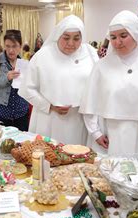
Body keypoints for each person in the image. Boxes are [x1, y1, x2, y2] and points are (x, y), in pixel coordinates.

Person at [80, 11, 138, 155]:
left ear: (136, 34)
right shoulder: (102, 66)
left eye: (123, 36)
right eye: (113, 37)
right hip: (106, 133)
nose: (117, 42)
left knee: (131, 173)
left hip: (137, 133)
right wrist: (95, 132)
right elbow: (90, 102)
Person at [20, 15, 98, 145]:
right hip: (49, 119)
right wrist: (49, 106)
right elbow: (27, 89)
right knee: (49, 157)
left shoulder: (90, 54)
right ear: (58, 35)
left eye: (76, 38)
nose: (71, 43)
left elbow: (97, 85)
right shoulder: (43, 56)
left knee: (76, 156)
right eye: (66, 38)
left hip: (78, 120)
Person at [0, 30, 30, 131]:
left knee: (22, 143)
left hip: (22, 110)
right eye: (7, 46)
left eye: (14, 46)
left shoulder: (24, 63)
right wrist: (6, 78)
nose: (10, 50)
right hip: (3, 111)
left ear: (20, 46)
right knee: (4, 143)